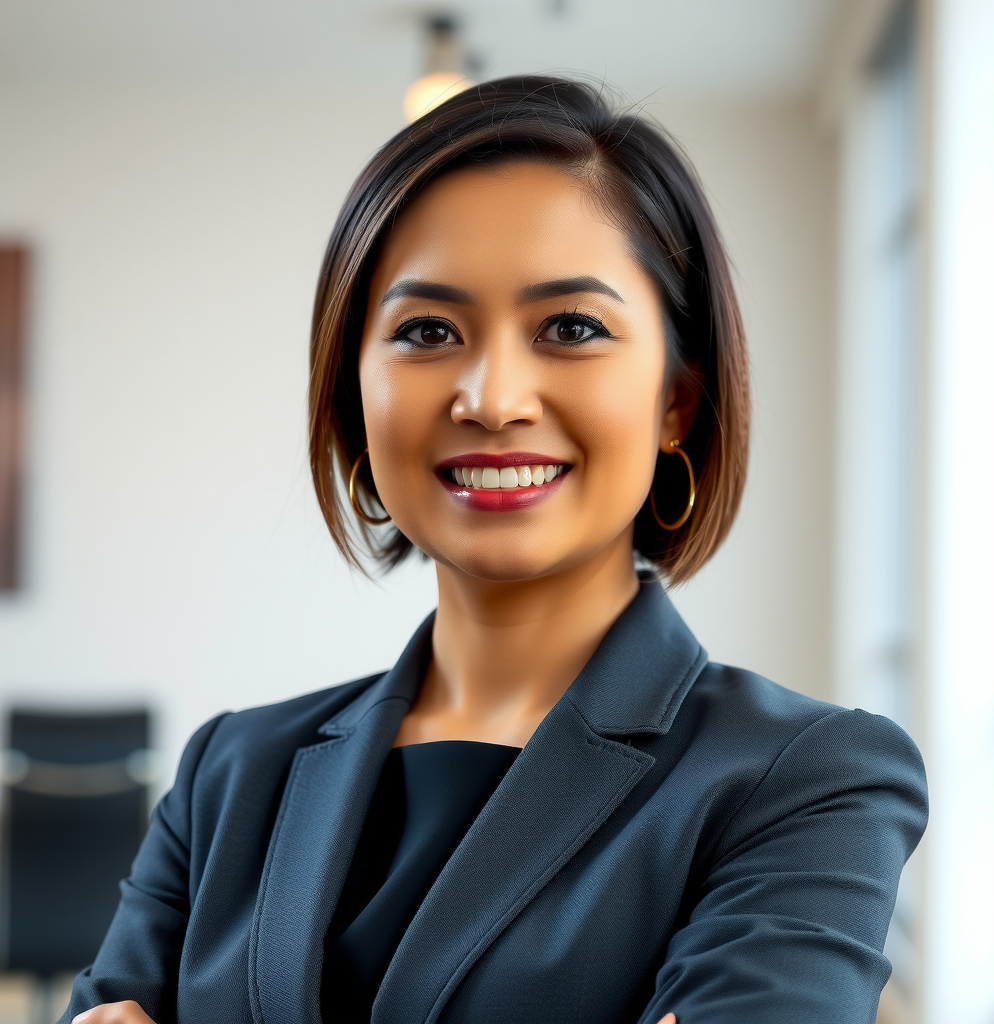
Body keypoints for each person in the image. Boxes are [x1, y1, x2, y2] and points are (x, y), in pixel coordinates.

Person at [62, 77, 927, 1024]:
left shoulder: (806, 778)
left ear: (677, 399)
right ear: (355, 397)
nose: (492, 397)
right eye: (427, 331)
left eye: (571, 328)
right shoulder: (229, 774)